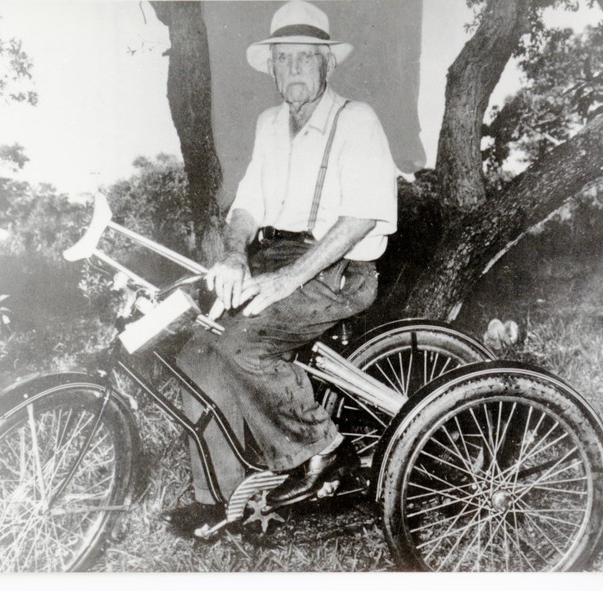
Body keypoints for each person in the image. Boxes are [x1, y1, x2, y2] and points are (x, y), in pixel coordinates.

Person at [161, 0, 398, 536]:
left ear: (326, 64)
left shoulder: (355, 119)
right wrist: (231, 254)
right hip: (272, 257)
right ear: (270, 69)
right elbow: (246, 206)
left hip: (337, 268)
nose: (291, 70)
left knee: (240, 343)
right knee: (195, 352)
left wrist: (288, 279)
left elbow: (361, 216)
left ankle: (323, 451)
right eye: (282, 61)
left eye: (303, 59)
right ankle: (218, 498)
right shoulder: (270, 124)